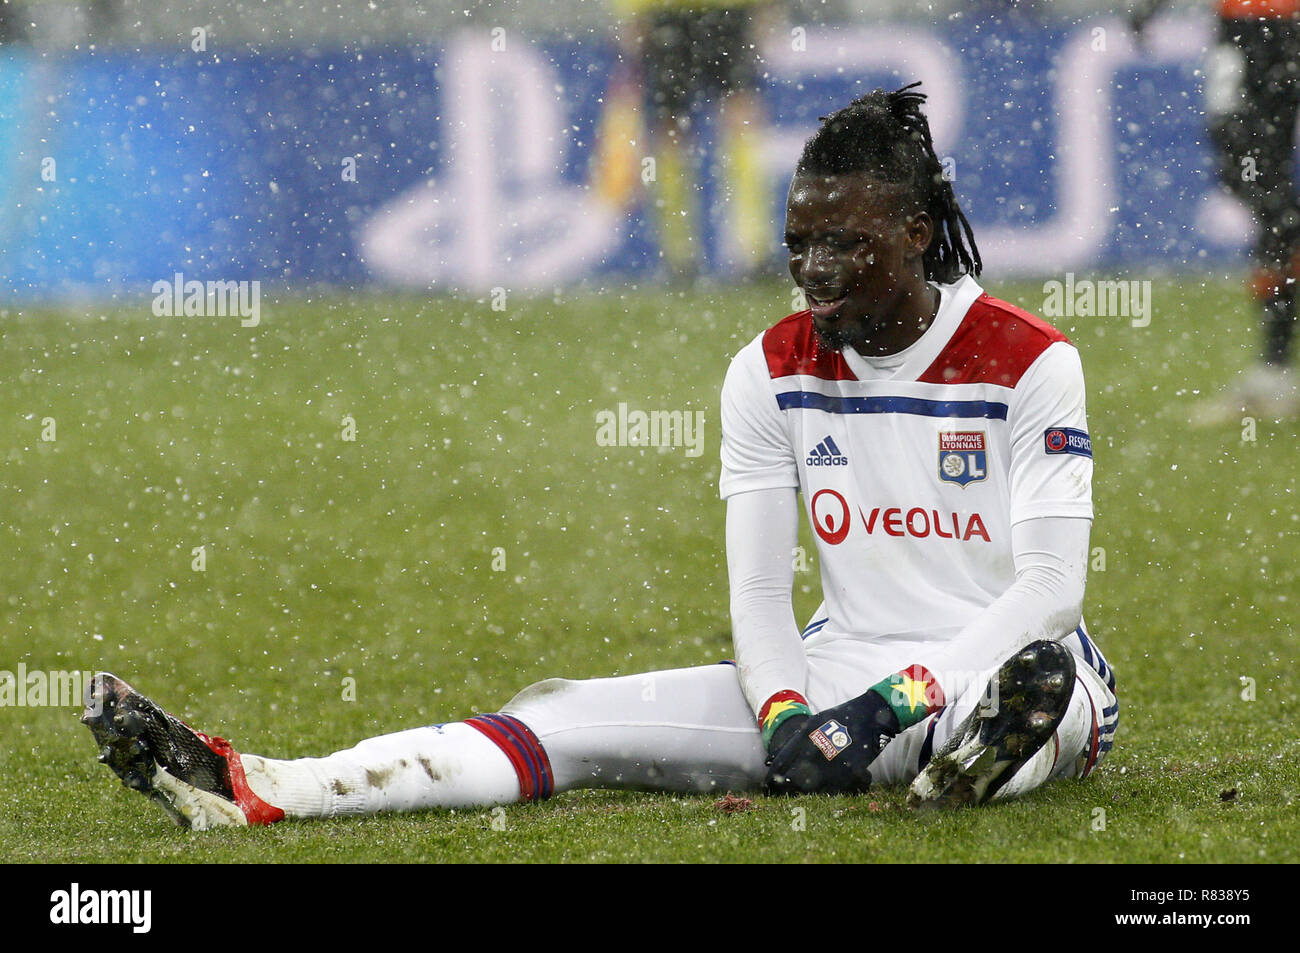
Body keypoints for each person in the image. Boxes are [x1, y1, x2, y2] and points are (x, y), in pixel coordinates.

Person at [83, 84, 1118, 829]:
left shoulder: (1031, 362)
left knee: (1029, 694)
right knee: (562, 710)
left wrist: (891, 703)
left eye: (843, 246)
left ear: (917, 230)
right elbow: (759, 594)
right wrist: (790, 713)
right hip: (839, 663)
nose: (812, 273)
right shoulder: (766, 370)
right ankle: (266, 783)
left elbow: (1048, 591)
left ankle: (979, 753)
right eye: (798, 243)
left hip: (1014, 663)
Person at [1132, 1, 1300, 420]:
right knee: (1267, 197)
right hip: (1259, 30)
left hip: (1260, 32)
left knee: (1264, 193)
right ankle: (1273, 370)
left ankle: (1273, 372)